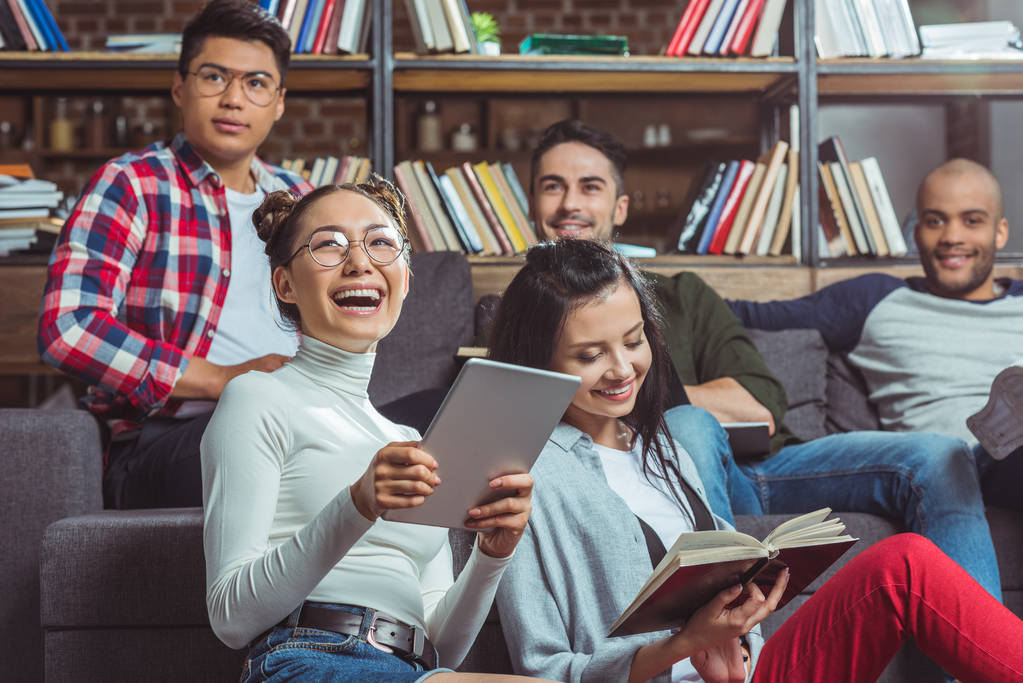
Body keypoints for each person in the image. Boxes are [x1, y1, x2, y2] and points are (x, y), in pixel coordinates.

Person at [489, 238, 1023, 683]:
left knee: (904, 564)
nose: (623, 368)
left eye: (634, 341)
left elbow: (734, 608)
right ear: (539, 360)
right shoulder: (522, 480)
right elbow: (542, 671)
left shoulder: (666, 451)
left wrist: (739, 658)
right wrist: (682, 646)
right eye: (590, 355)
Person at [525, 120, 1002, 602]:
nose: (571, 203)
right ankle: (717, 630)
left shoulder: (683, 294)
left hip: (767, 467)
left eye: (590, 187)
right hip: (666, 466)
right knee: (688, 424)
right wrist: (678, 406)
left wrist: (636, 391)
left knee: (940, 455)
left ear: (620, 206)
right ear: (532, 205)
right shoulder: (524, 317)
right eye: (553, 187)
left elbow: (762, 404)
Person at [201, 178, 545, 682]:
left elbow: (441, 648)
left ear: (403, 279)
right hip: (306, 658)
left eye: (380, 242)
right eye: (328, 245)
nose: (359, 261)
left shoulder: (410, 441)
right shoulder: (256, 398)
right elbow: (231, 617)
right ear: (286, 285)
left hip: (410, 669)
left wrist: (492, 557)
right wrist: (358, 502)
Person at [37, 0, 312, 510]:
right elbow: (67, 328)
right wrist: (224, 380)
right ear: (180, 88)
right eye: (215, 77)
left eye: (256, 83)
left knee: (433, 429)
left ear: (278, 102)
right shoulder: (132, 184)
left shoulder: (301, 197)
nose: (234, 98)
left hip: (301, 424)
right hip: (164, 442)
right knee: (260, 432)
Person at [729, 158, 1023, 510]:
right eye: (935, 221)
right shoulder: (872, 300)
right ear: (916, 234)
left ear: (1000, 232)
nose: (952, 237)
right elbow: (745, 314)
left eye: (972, 221)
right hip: (958, 466)